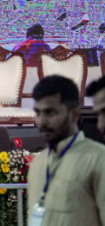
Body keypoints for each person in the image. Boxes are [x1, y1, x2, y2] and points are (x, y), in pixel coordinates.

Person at [27, 75, 105, 225]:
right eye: (38, 113)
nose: (42, 122)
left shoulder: (98, 160)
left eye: (50, 112)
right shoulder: (38, 162)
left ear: (74, 114)